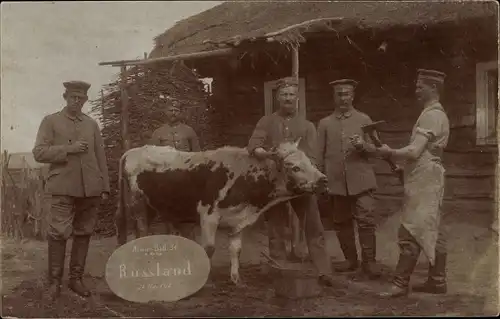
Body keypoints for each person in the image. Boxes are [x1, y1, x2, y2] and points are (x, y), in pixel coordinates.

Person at [247, 76, 336, 287]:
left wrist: (305, 174)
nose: (288, 98)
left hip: (301, 183)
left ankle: (324, 271)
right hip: (275, 183)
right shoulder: (266, 122)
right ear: (278, 97)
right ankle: (278, 266)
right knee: (276, 227)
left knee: (313, 226)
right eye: (284, 94)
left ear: (297, 98)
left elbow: (313, 157)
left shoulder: (306, 126)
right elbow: (253, 147)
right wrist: (269, 154)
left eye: (292, 95)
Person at [32, 80, 110, 300]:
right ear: (65, 97)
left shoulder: (91, 124)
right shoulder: (51, 121)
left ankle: (76, 280)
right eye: (73, 98)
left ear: (85, 100)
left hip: (90, 188)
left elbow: (100, 156)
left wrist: (104, 186)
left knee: (84, 232)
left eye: (81, 99)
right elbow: (39, 152)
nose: (77, 102)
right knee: (58, 233)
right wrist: (69, 149)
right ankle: (54, 283)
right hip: (62, 187)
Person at [377, 69, 450, 298]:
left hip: (425, 179)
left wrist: (390, 152)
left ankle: (400, 284)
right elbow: (421, 154)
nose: (416, 90)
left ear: (433, 88)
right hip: (425, 176)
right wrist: (402, 168)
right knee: (431, 227)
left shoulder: (432, 115)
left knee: (411, 228)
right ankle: (437, 281)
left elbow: (414, 151)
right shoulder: (434, 114)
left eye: (420, 86)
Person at [316, 79, 382, 279]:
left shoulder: (363, 120)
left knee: (366, 221)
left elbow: (375, 151)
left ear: (353, 96)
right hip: (336, 182)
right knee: (341, 222)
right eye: (339, 94)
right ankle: (351, 260)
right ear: (334, 97)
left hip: (362, 181)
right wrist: (320, 179)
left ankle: (369, 262)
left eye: (346, 94)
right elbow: (319, 155)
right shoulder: (325, 124)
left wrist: (363, 146)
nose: (343, 98)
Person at [148, 98, 201, 240]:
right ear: (165, 112)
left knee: (188, 211)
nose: (173, 113)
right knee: (167, 211)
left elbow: (198, 155)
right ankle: (171, 240)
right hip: (166, 180)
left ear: (180, 113)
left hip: (186, 178)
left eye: (176, 110)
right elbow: (152, 158)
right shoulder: (158, 133)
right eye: (170, 110)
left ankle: (190, 241)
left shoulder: (189, 131)